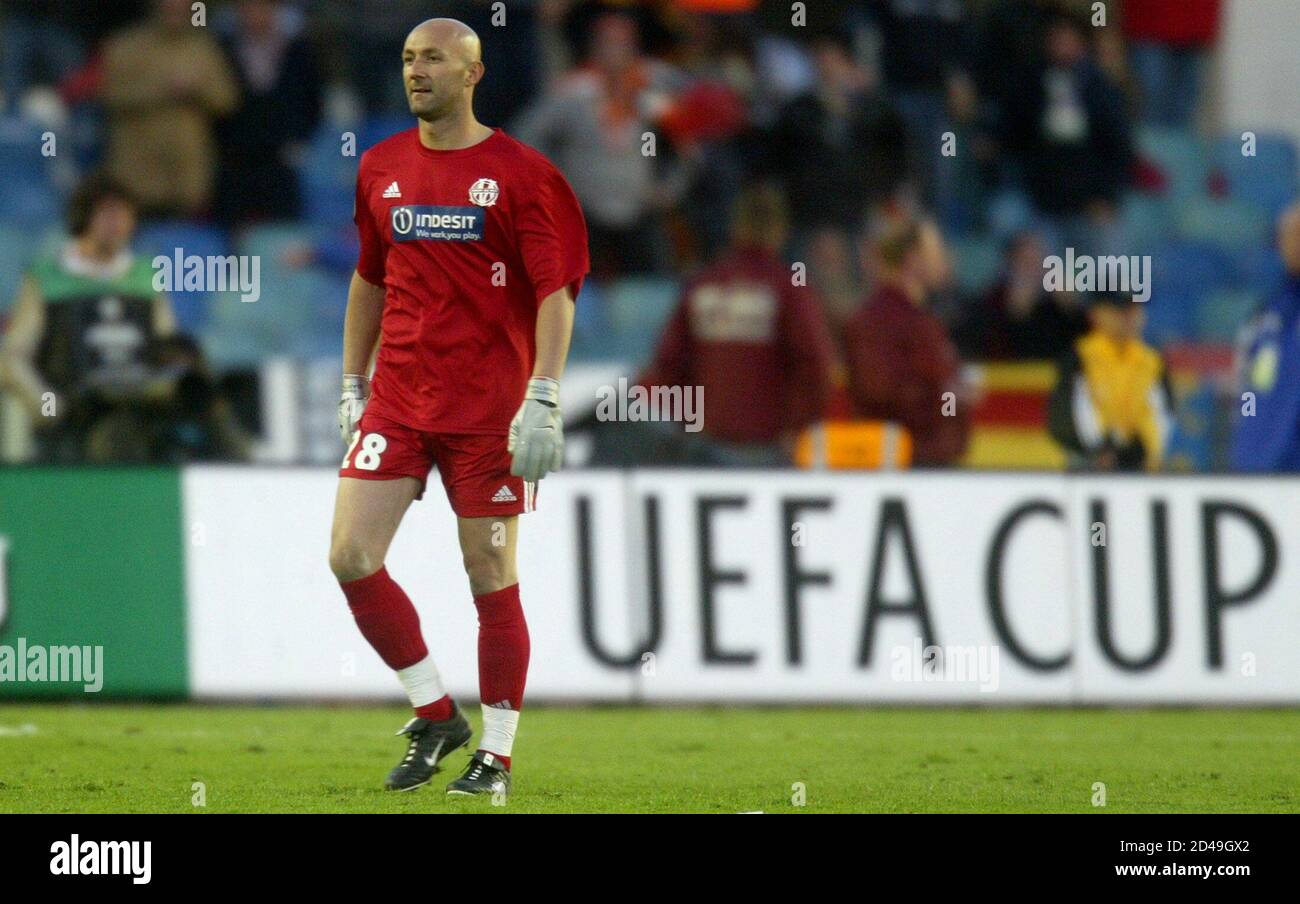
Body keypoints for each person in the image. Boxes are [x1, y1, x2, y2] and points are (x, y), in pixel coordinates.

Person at [329, 18, 588, 800]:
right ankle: (437, 714)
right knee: (350, 556)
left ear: (472, 73)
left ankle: (497, 759)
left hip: (488, 414)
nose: (416, 71)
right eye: (408, 58)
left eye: (433, 59)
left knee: (489, 574)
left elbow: (557, 290)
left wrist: (543, 393)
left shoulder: (523, 175)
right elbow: (369, 278)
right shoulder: (380, 166)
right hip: (401, 403)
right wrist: (352, 381)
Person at [633, 183, 834, 466]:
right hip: (769, 445)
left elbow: (668, 363)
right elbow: (816, 365)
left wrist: (689, 421)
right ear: (780, 231)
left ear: (735, 228)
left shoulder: (703, 284)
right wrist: (796, 427)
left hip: (707, 444)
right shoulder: (788, 289)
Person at [0, 174, 178, 462]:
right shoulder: (47, 278)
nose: (116, 223)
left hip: (136, 405)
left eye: (124, 215)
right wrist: (48, 407)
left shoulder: (147, 278)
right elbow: (13, 357)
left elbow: (168, 348)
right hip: (74, 413)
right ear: (83, 218)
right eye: (106, 214)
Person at [842, 218, 971, 466]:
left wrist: (951, 395)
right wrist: (948, 394)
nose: (943, 258)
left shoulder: (919, 319)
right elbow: (879, 393)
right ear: (913, 258)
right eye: (935, 251)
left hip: (927, 458)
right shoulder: (878, 321)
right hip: (904, 464)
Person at [100, 0, 239, 217]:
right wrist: (160, 88)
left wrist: (196, 89)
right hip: (137, 175)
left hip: (188, 177)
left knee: (185, 246)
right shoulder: (126, 45)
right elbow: (110, 95)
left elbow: (227, 100)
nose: (174, 7)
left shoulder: (203, 48)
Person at [1047, 293, 1173, 471]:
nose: (1130, 316)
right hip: (1089, 463)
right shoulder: (1082, 357)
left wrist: (1139, 449)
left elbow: (1161, 415)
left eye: (1136, 308)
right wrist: (1101, 448)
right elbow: (1066, 417)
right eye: (1121, 309)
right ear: (1096, 314)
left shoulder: (1152, 360)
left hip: (1140, 464)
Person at [1233, 202, 1300, 471]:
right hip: (1262, 464)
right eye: (1289, 235)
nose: (1294, 244)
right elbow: (1247, 385)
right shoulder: (1268, 315)